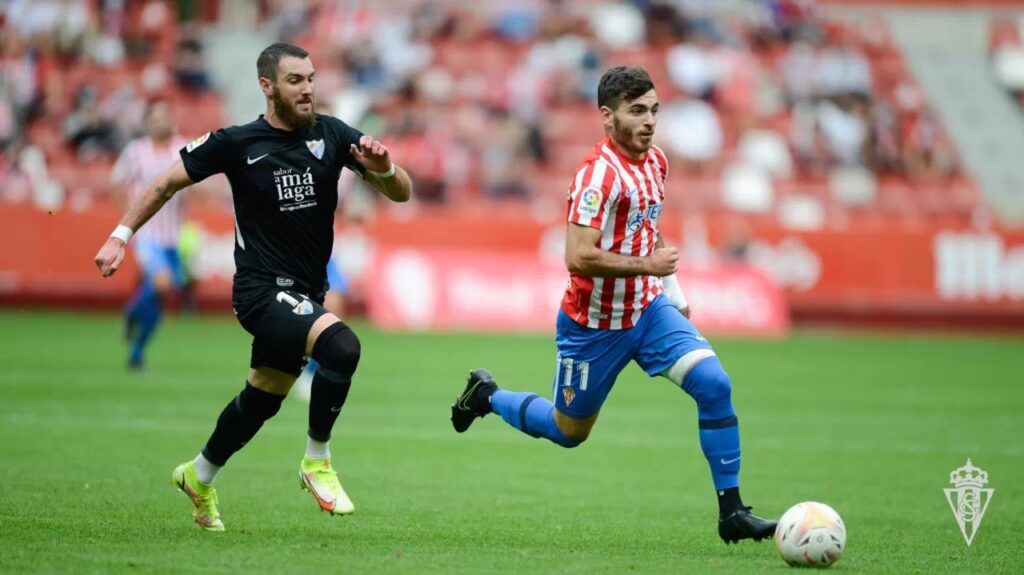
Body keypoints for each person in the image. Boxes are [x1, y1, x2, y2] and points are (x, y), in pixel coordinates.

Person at [450, 66, 777, 544]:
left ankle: (732, 512)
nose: (649, 121)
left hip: (648, 311)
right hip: (593, 327)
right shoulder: (595, 178)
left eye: (654, 111)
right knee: (568, 431)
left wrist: (675, 295)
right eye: (637, 111)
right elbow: (577, 256)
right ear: (608, 116)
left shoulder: (657, 162)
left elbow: (649, 226)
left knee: (714, 383)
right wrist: (649, 267)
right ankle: (487, 397)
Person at [93, 42, 413, 532]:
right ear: (267, 86)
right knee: (343, 347)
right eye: (294, 81)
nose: (307, 89)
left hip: (306, 292)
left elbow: (401, 192)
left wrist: (385, 166)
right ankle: (317, 462)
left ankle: (198, 476)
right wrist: (120, 236)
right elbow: (163, 184)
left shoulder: (332, 134)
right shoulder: (236, 142)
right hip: (261, 291)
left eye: (310, 78)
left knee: (264, 394)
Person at [111, 98, 190, 370]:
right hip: (146, 235)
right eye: (155, 118)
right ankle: (131, 315)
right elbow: (117, 183)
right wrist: (129, 220)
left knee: (160, 295)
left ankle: (136, 350)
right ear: (146, 123)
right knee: (162, 283)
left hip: (172, 236)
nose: (160, 122)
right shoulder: (136, 151)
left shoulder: (183, 149)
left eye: (164, 116)